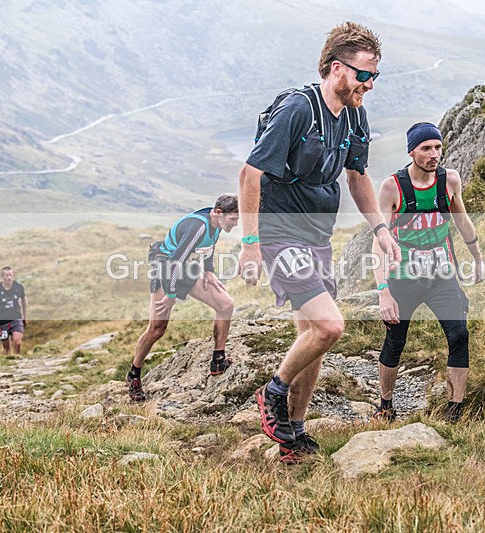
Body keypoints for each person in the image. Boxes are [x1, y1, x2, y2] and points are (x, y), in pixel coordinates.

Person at [237, 21, 400, 463]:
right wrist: (250, 244)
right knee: (330, 326)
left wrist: (381, 229)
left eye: (375, 76)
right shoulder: (298, 109)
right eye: (363, 75)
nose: (369, 85)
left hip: (317, 235)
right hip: (279, 232)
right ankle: (272, 392)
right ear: (335, 69)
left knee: (312, 334)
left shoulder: (354, 115)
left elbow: (358, 176)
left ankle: (293, 433)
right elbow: (250, 174)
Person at [371, 122, 485, 423]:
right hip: (402, 277)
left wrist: (477, 258)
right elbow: (378, 241)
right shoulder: (392, 187)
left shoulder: (450, 181)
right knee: (396, 341)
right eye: (426, 148)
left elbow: (462, 221)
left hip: (441, 275)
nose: (434, 154)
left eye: (437, 147)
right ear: (412, 151)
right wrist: (383, 291)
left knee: (459, 334)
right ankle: (385, 404)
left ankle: (455, 409)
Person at [125, 194, 239, 402]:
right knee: (157, 328)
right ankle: (134, 374)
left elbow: (208, 249)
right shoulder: (199, 227)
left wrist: (209, 271)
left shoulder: (216, 224)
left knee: (226, 304)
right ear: (219, 212)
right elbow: (175, 262)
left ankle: (218, 360)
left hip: (186, 268)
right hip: (167, 269)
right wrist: (171, 294)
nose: (236, 224)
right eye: (233, 219)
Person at [0, 266, 28, 355]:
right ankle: (8, 365)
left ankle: (18, 360)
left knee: (17, 342)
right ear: (2, 277)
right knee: (6, 349)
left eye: (11, 275)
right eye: (6, 275)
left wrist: (24, 317)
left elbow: (24, 300)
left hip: (16, 319)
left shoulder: (18, 287)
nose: (9, 277)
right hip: (2, 322)